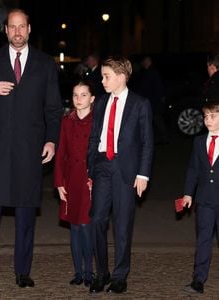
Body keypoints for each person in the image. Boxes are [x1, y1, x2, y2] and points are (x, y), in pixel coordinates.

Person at [0, 9, 63, 289]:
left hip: (29, 149)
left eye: (22, 26)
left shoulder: (45, 64)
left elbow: (53, 109)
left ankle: (23, 272)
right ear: (6, 31)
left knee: (25, 214)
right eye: (13, 27)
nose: (18, 32)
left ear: (29, 29)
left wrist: (51, 139)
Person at [87, 56, 154, 294]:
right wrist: (90, 167)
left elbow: (147, 142)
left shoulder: (140, 104)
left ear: (121, 77)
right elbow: (95, 136)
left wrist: (143, 175)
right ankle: (102, 272)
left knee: (123, 225)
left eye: (106, 76)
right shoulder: (102, 102)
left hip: (126, 169)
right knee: (96, 220)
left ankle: (119, 275)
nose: (102, 80)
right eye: (102, 76)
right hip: (103, 166)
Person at [54, 80, 95, 287]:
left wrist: (96, 178)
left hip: (89, 181)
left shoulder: (97, 121)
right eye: (75, 95)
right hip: (71, 180)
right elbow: (61, 153)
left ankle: (89, 271)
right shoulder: (67, 121)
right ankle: (78, 272)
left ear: (92, 98)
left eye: (84, 95)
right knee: (75, 228)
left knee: (86, 226)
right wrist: (59, 182)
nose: (79, 99)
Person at [182, 99, 219, 294]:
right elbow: (193, 170)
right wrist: (188, 193)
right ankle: (198, 279)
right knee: (203, 240)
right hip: (204, 200)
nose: (208, 120)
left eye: (213, 116)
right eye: (205, 116)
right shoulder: (199, 141)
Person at [135, 55, 168, 144]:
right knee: (155, 120)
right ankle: (160, 138)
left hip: (153, 100)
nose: (143, 63)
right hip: (153, 100)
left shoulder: (151, 72)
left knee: (156, 119)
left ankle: (163, 138)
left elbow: (148, 87)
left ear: (148, 61)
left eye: (144, 61)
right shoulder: (150, 72)